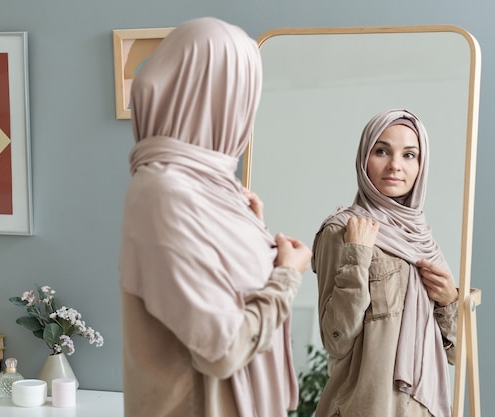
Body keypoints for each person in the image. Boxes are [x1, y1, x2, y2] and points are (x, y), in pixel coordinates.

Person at [118, 17, 312, 417]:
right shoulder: (164, 192)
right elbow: (222, 349)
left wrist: (252, 231)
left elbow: (224, 288)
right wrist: (287, 277)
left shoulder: (208, 188)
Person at [312, 109, 459, 417]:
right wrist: (357, 256)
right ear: (364, 157)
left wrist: (449, 302)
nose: (395, 165)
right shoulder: (341, 231)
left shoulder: (424, 241)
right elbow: (335, 339)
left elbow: (459, 355)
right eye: (382, 151)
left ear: (422, 165)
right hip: (364, 407)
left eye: (409, 155)